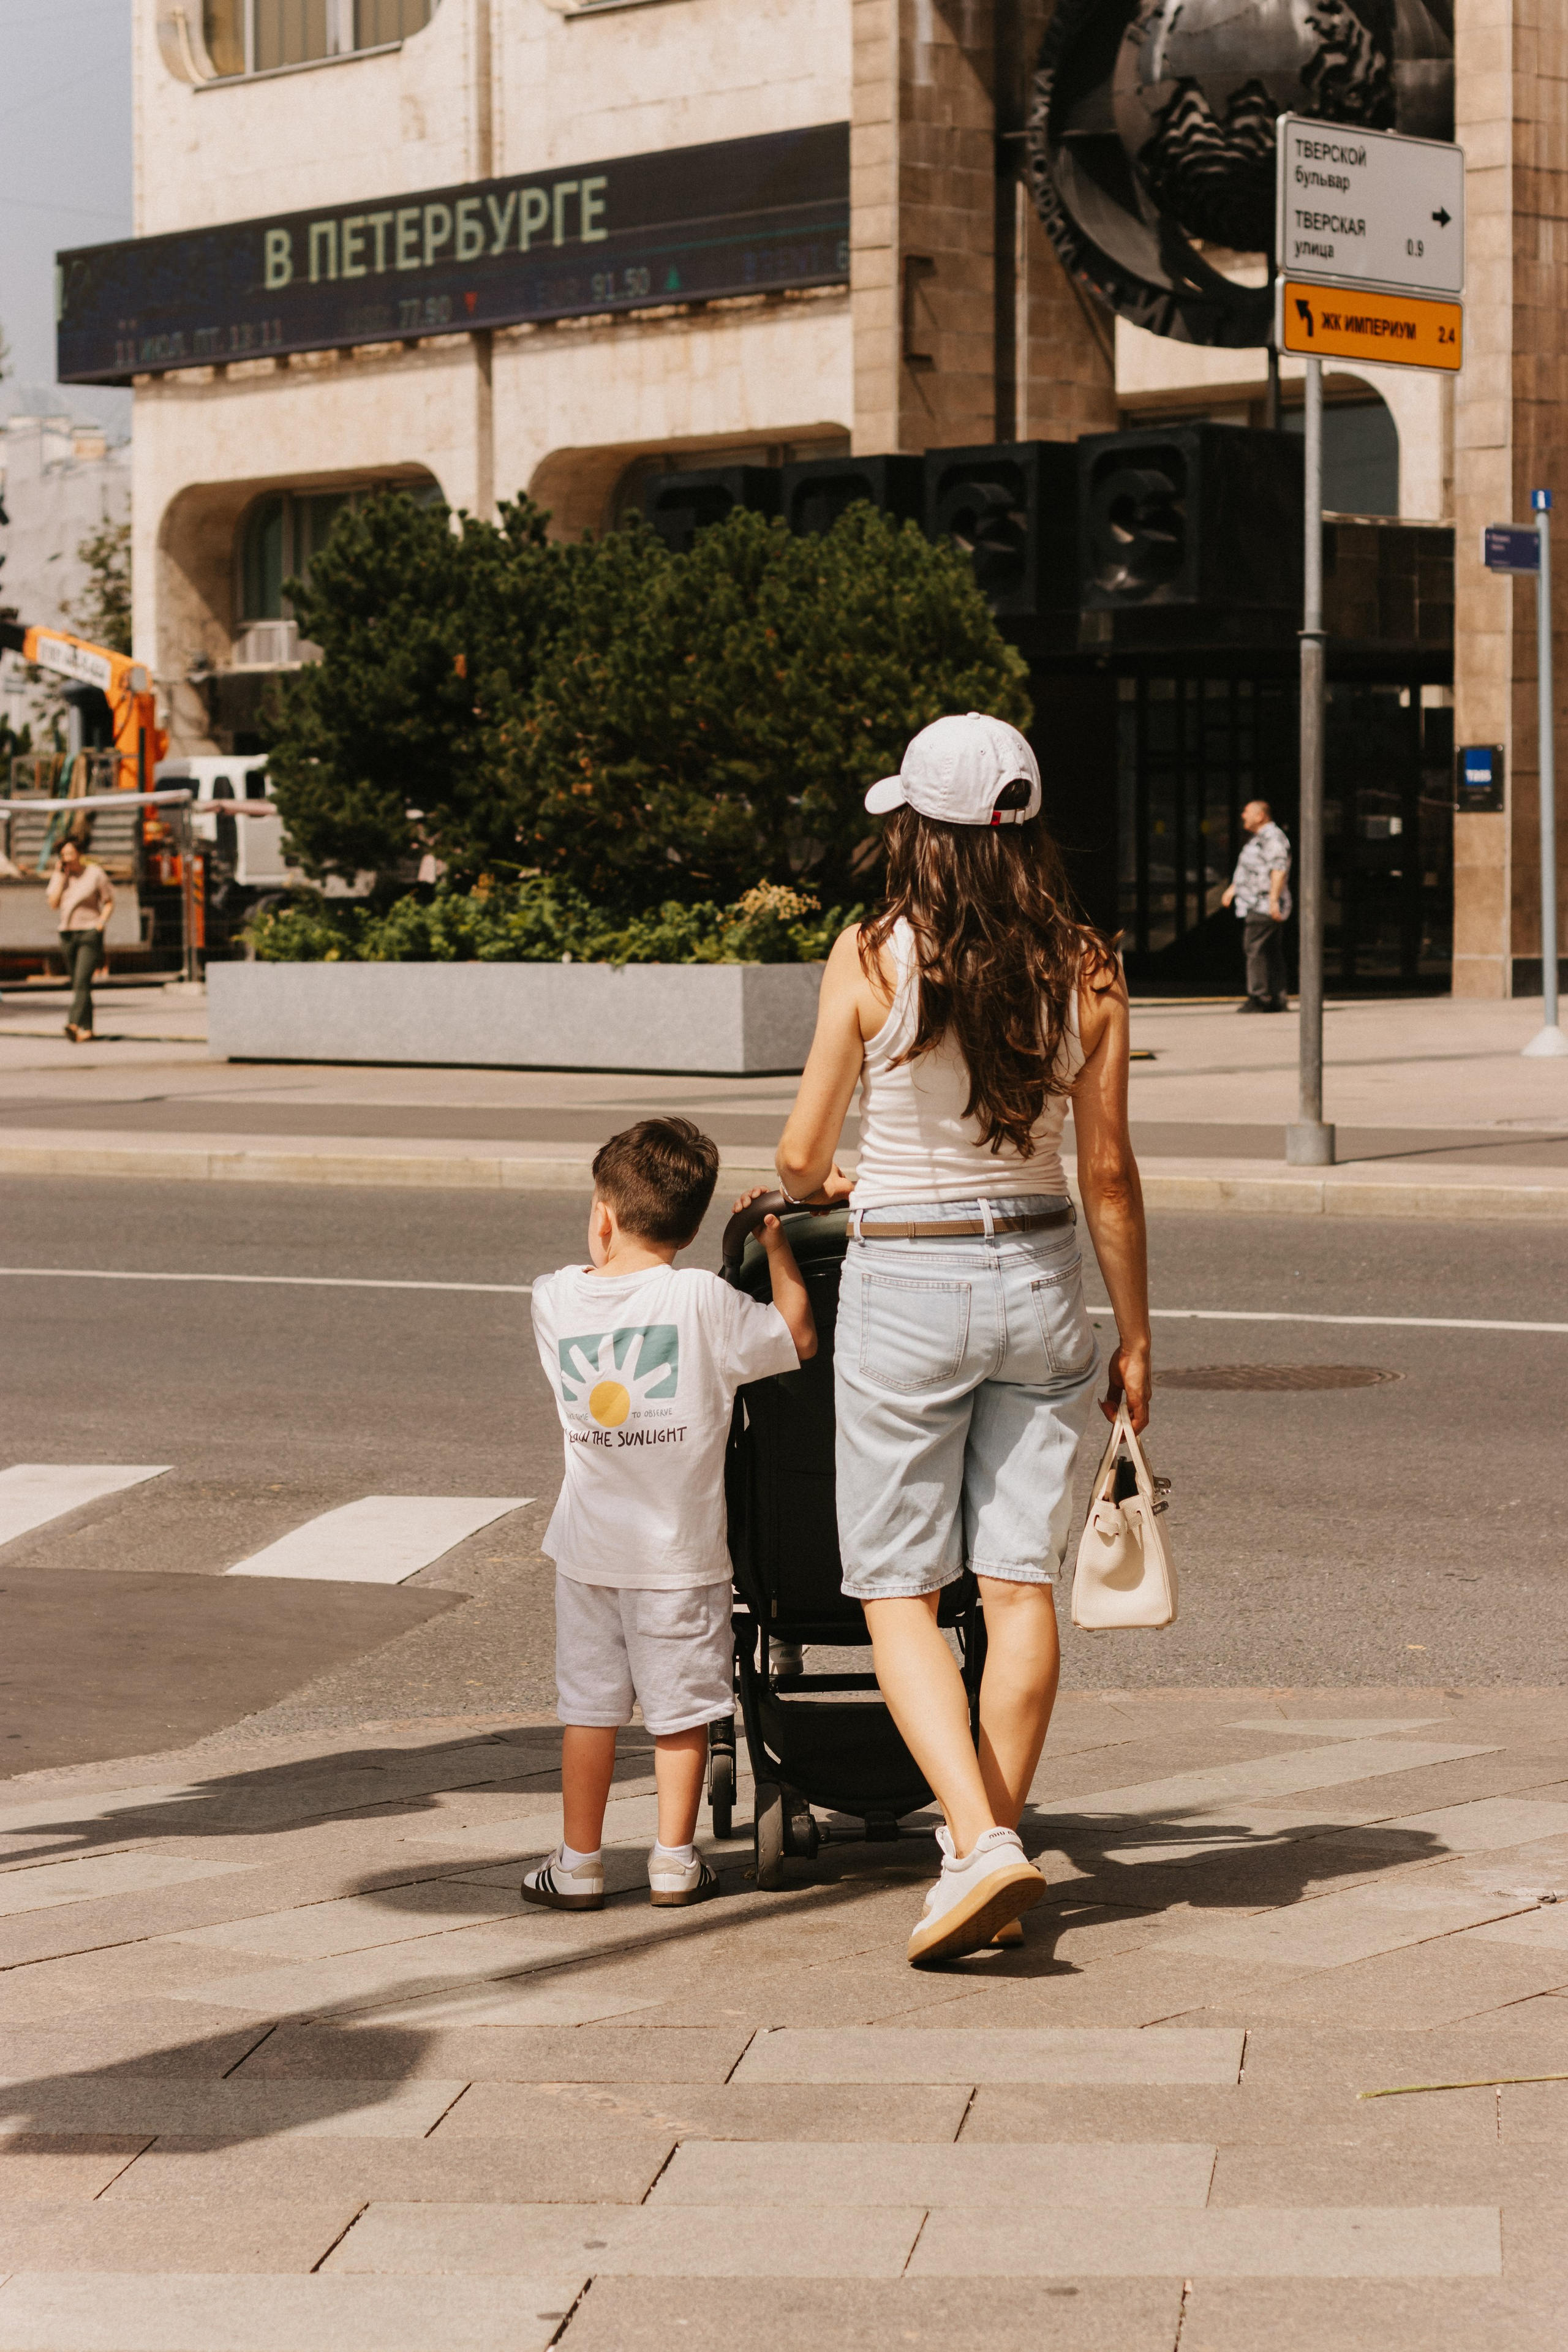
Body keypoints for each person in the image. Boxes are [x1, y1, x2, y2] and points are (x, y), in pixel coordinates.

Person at [776, 711, 1150, 1966]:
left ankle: (980, 1844)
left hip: (909, 1282)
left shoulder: (871, 956)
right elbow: (1108, 1176)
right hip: (1043, 1273)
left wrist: (829, 1182)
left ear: (914, 831)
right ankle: (974, 1842)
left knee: (896, 1587)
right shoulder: (1087, 964)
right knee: (1013, 1582)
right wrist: (1135, 1337)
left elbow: (795, 1152)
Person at [524, 1116, 816, 1913]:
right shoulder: (702, 1300)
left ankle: (579, 1864)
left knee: (588, 1711)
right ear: (690, 1229)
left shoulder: (554, 1300)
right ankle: (672, 1862)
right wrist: (776, 1243)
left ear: (603, 1215)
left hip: (588, 1555)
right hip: (681, 1559)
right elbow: (797, 1333)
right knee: (683, 1712)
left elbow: (585, 1282)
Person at [1221, 799, 1292, 1012]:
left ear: (1260, 816)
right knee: (1270, 950)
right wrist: (1233, 889)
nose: (1243, 816)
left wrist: (1273, 901)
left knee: (1255, 949)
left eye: (1247, 812)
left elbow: (1279, 870)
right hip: (1258, 902)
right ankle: (1277, 997)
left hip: (1262, 904)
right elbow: (1251, 869)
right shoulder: (1259, 839)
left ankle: (1259, 997)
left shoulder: (1272, 837)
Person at [46, 834, 115, 1042]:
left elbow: (109, 901)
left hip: (89, 933)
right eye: (63, 854)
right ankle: (87, 1029)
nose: (67, 858)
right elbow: (53, 904)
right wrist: (61, 877)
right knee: (79, 983)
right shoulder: (60, 875)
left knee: (83, 980)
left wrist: (100, 923)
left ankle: (73, 1023)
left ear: (80, 855)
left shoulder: (95, 874)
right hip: (67, 933)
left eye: (70, 853)